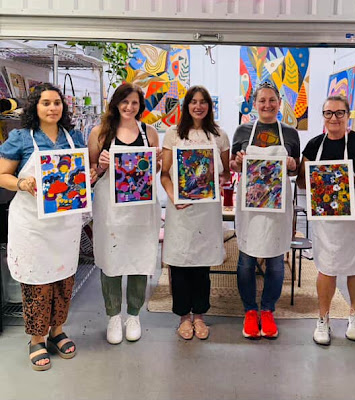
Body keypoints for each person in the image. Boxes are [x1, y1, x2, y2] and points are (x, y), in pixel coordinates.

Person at [0, 83, 91, 371]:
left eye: (57, 103)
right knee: (36, 282)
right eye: (46, 103)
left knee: (63, 279)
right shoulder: (21, 137)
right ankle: (37, 338)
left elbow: (79, 173)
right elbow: (2, 174)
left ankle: (57, 331)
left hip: (65, 225)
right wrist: (21, 183)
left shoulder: (74, 136)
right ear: (35, 107)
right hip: (32, 225)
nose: (53, 108)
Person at [297, 95, 355, 346]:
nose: (334, 118)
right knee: (327, 268)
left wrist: (349, 180)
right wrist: (316, 178)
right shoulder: (314, 145)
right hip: (327, 220)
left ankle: (354, 316)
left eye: (339, 113)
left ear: (347, 115)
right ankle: (323, 318)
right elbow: (302, 182)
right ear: (323, 116)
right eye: (329, 113)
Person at [88, 83, 161, 344]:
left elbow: (154, 171)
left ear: (140, 106)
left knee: (139, 259)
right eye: (125, 101)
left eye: (134, 102)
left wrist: (156, 162)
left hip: (141, 211)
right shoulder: (99, 132)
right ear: (116, 103)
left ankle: (133, 315)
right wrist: (100, 166)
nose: (129, 107)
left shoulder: (150, 133)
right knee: (111, 258)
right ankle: (113, 316)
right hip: (111, 210)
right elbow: (91, 173)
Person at [231, 81, 299, 339]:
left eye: (272, 100)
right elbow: (233, 166)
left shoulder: (290, 133)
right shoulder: (242, 131)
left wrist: (292, 164)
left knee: (276, 260)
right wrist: (238, 162)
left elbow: (296, 167)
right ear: (254, 104)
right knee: (246, 259)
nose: (267, 105)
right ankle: (250, 310)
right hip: (250, 205)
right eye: (262, 100)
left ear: (279, 103)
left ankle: (268, 310)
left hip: (278, 207)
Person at [161, 86, 230, 340]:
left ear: (209, 106)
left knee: (202, 266)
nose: (198, 106)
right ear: (186, 106)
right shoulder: (173, 134)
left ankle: (199, 316)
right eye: (193, 102)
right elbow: (165, 174)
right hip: (181, 212)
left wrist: (220, 181)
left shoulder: (219, 135)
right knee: (180, 265)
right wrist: (174, 197)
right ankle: (183, 317)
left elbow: (225, 173)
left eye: (203, 102)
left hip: (207, 212)